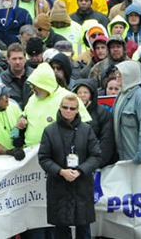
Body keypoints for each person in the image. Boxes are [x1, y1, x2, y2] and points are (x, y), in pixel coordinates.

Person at [38, 94, 101, 239]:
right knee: (61, 229)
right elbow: (43, 157)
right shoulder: (50, 131)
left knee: (84, 227)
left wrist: (80, 171)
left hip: (82, 184)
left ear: (77, 110)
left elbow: (96, 156)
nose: (68, 111)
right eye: (65, 107)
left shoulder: (86, 130)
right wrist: (60, 171)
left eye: (72, 108)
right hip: (59, 185)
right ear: (60, 108)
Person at [112, 61, 141, 163]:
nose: (117, 76)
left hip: (139, 161)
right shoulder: (121, 95)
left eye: (121, 74)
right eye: (117, 73)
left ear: (130, 75)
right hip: (124, 158)